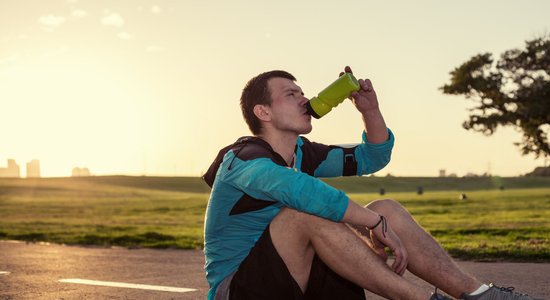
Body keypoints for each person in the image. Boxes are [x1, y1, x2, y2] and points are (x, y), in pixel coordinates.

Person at [202, 67, 541, 300]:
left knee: (387, 209)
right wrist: (369, 223)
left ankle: (477, 293)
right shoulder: (243, 158)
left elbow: (372, 157)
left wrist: (370, 110)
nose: (304, 99)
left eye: (303, 91)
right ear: (263, 112)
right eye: (291, 94)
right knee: (303, 213)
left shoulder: (304, 153)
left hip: (298, 279)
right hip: (241, 288)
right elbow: (299, 191)